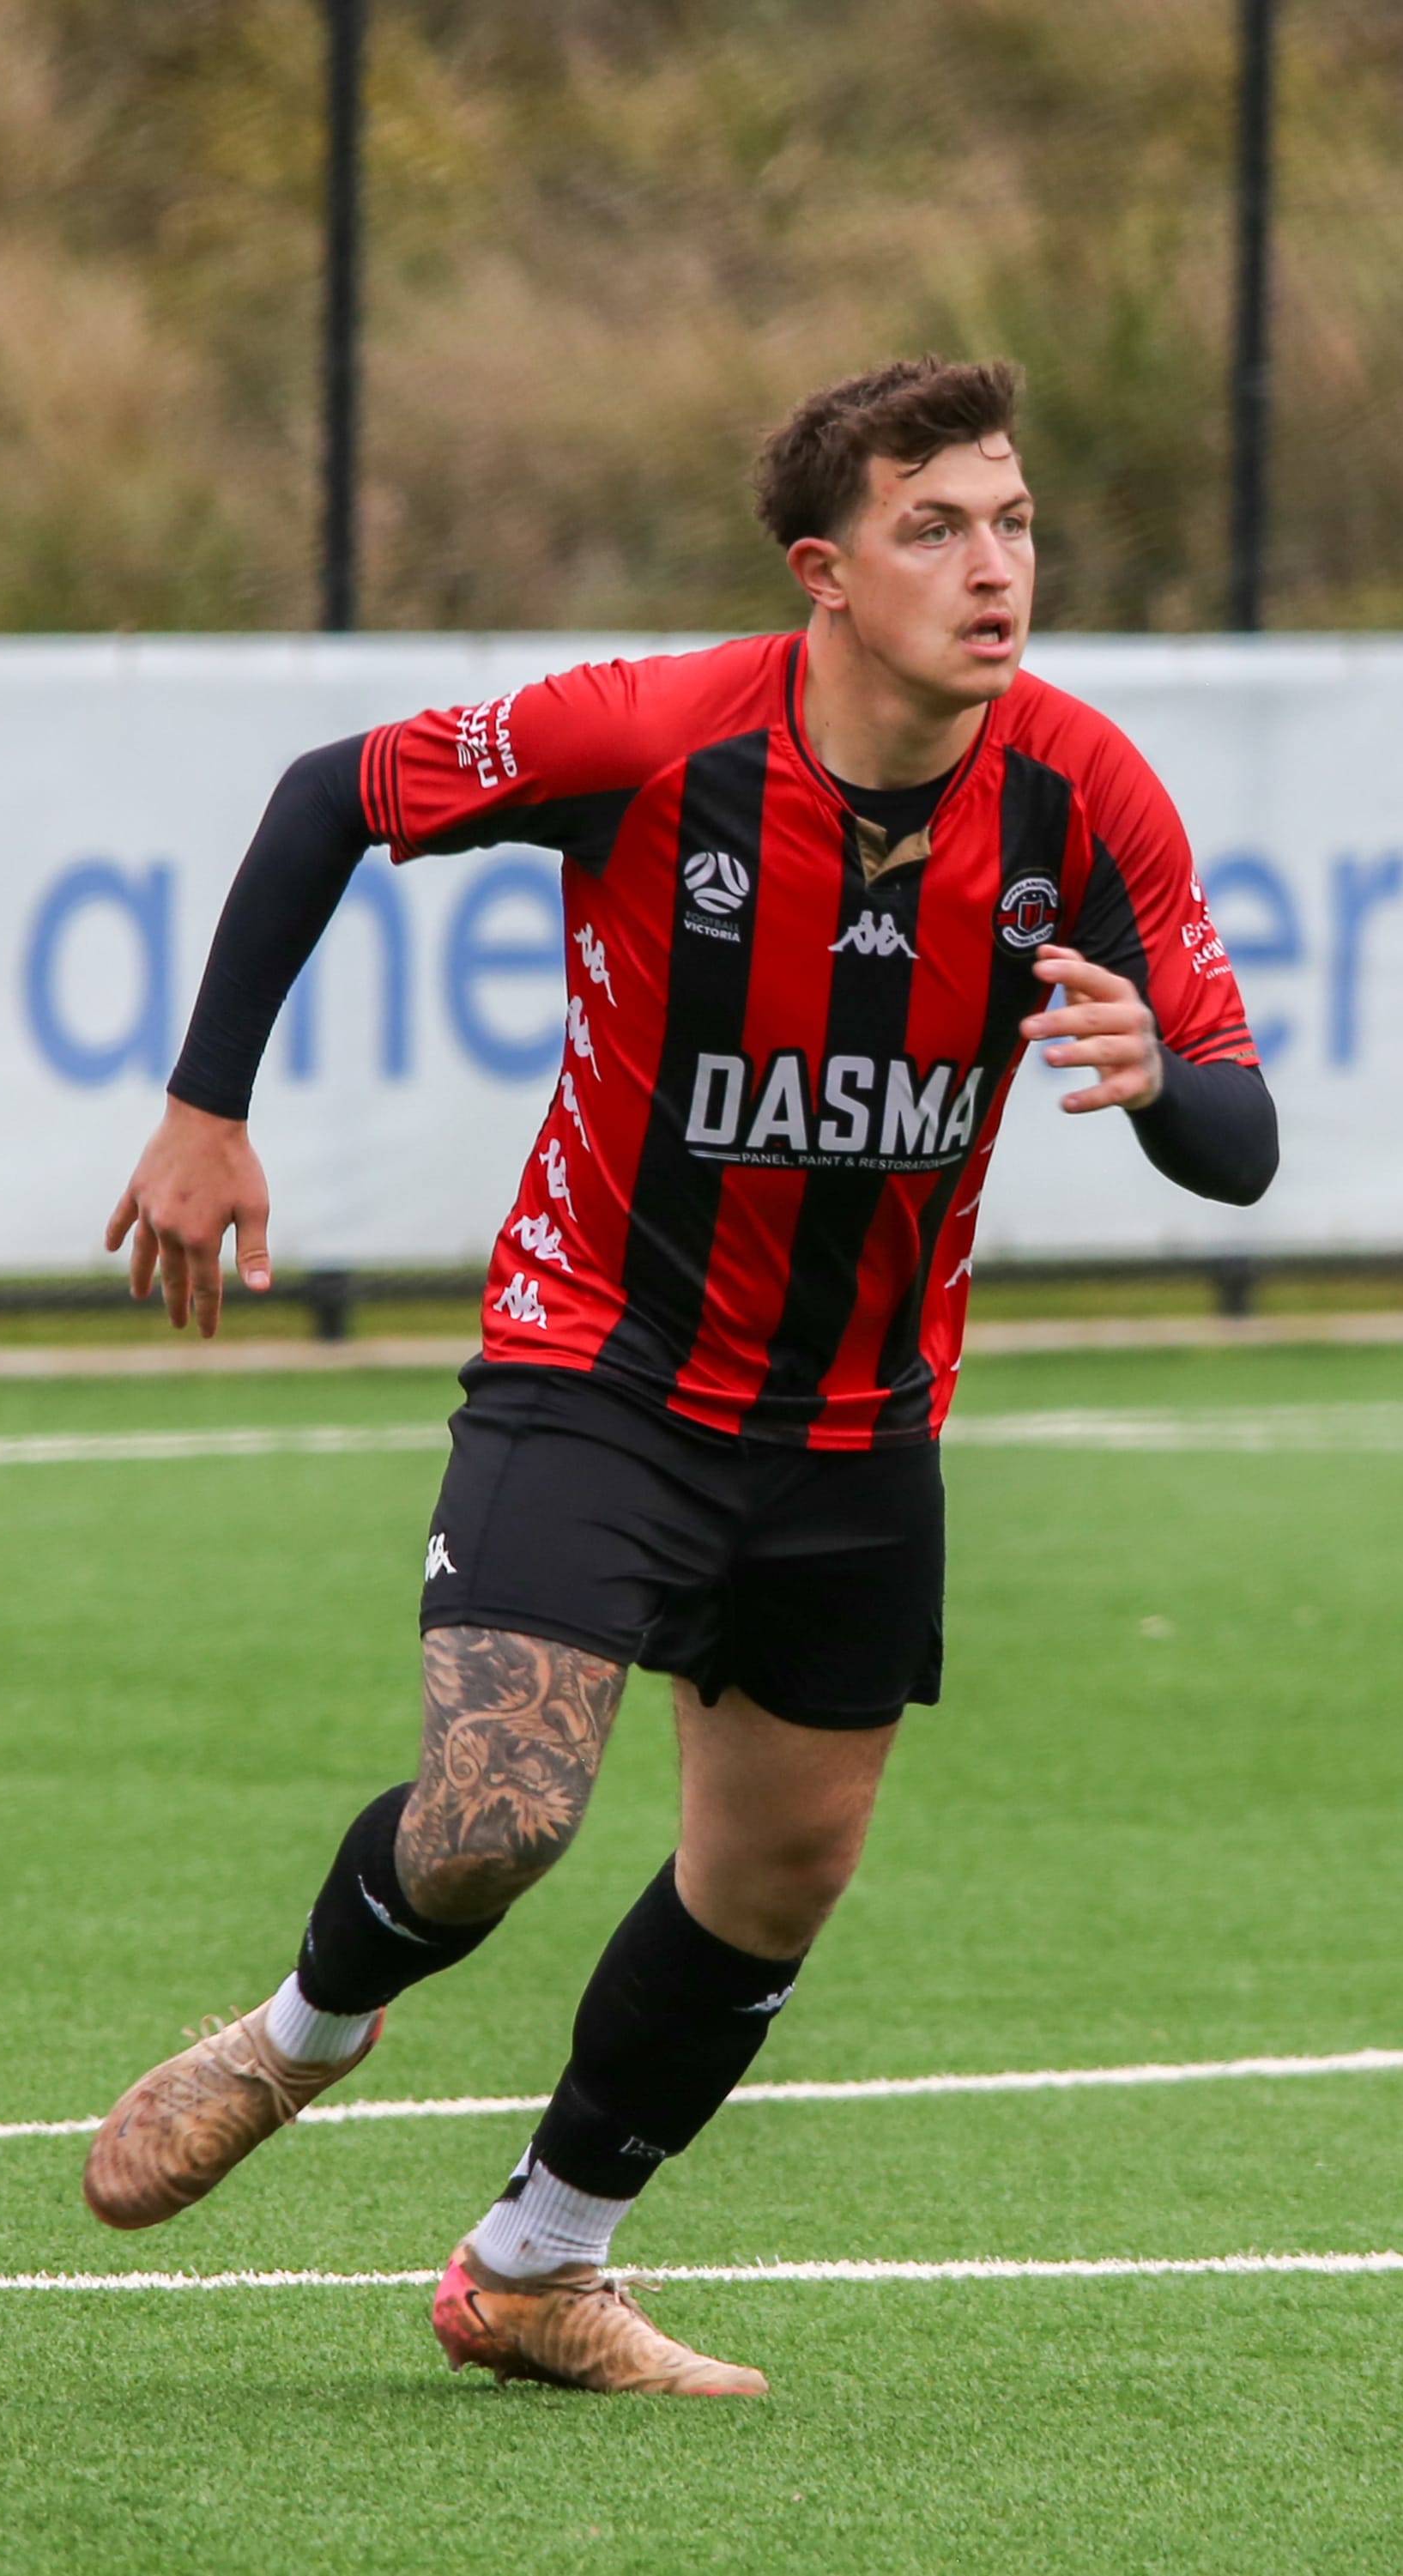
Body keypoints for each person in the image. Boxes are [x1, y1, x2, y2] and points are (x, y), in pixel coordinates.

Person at [82, 356, 1276, 2396]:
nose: (994, 569)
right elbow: (329, 797)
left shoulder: (1085, 795)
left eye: (1012, 523)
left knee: (776, 1872)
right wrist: (207, 1109)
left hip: (858, 1422)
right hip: (601, 1366)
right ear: (823, 571)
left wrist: (1166, 1077)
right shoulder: (650, 737)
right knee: (497, 1811)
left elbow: (1239, 1144)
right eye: (936, 528)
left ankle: (541, 2264)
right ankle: (298, 2036)